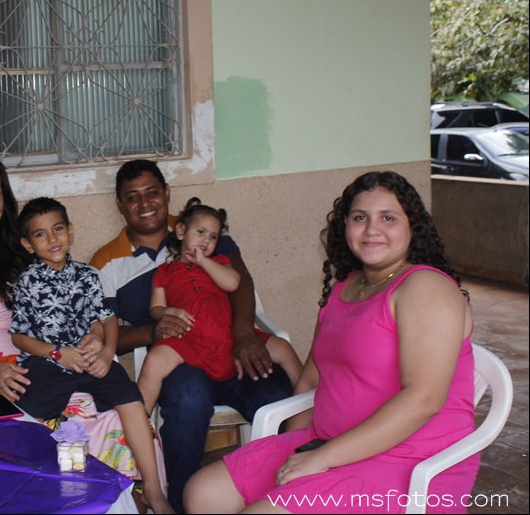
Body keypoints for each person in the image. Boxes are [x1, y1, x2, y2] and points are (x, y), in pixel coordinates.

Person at [185, 171, 479, 514]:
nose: (372, 229)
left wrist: (322, 458)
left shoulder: (425, 288)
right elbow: (311, 379)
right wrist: (290, 453)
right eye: (360, 218)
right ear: (345, 227)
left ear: (413, 227)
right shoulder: (346, 288)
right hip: (329, 441)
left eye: (388, 218)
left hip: (408, 461)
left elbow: (423, 400)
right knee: (202, 494)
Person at [0, 151, 167, 492]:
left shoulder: (29, 255)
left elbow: (80, 312)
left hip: (58, 367)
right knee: (69, 427)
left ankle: (140, 499)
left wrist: (94, 338)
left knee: (118, 417)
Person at [90, 159, 294, 512]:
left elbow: (240, 282)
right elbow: (104, 334)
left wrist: (244, 334)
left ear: (167, 193)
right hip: (179, 356)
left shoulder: (203, 229)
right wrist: (152, 330)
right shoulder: (106, 262)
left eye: (153, 192)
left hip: (231, 343)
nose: (145, 203)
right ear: (119, 205)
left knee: (275, 393)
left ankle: (281, 493)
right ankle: (180, 502)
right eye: (133, 197)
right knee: (187, 402)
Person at [9, 197, 172, 514]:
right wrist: (57, 354)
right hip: (47, 363)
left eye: (58, 229)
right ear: (28, 244)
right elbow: (19, 336)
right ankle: (34, 495)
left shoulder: (86, 274)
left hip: (89, 359)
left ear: (70, 230)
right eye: (40, 234)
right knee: (27, 417)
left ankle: (154, 491)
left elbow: (107, 319)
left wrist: (107, 351)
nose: (52, 239)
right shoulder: (27, 282)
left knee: (131, 398)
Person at [138, 198, 302, 413]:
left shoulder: (220, 263)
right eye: (201, 232)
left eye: (213, 236)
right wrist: (167, 312)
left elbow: (233, 283)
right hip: (188, 338)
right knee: (153, 363)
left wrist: (204, 262)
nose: (206, 240)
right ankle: (138, 426)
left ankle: (308, 407)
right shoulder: (164, 272)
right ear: (181, 231)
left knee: (283, 348)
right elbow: (156, 308)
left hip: (228, 336)